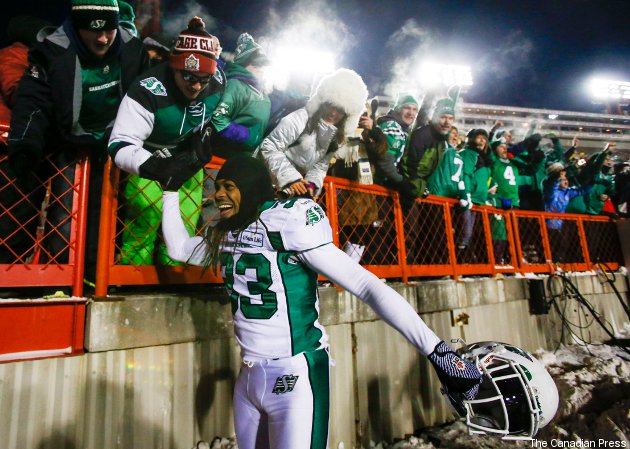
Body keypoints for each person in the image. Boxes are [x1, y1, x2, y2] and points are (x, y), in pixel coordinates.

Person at [161, 155, 482, 449]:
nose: (218, 195)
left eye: (228, 187)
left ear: (250, 187)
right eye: (218, 187)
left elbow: (365, 285)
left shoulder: (287, 221)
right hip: (248, 375)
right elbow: (178, 249)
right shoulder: (228, 234)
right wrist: (170, 191)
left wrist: (436, 350)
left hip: (296, 371)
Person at [7, 0, 147, 274]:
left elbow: (147, 98)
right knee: (63, 217)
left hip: (110, 149)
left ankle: (93, 278)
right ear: (76, 26)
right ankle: (58, 277)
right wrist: (24, 144)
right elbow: (33, 101)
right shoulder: (53, 52)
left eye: (109, 29)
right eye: (93, 30)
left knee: (105, 217)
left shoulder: (133, 49)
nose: (104, 38)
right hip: (67, 146)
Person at [108, 17, 224, 265]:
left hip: (186, 159)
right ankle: (132, 279)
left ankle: (173, 279)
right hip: (149, 158)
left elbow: (216, 114)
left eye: (203, 79)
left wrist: (206, 133)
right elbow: (120, 144)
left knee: (184, 222)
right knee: (145, 221)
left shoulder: (217, 83)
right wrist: (157, 168)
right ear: (173, 66)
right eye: (189, 77)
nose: (196, 86)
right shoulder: (147, 89)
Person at [260, 68, 368, 198]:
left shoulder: (335, 137)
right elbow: (270, 146)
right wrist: (291, 178)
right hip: (263, 180)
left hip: (287, 191)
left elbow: (320, 166)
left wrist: (311, 185)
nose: (333, 113)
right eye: (331, 105)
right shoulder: (300, 118)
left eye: (340, 110)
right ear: (322, 103)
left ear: (347, 115)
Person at [0, 15, 51, 263]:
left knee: (23, 211)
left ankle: (13, 269)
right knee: (13, 211)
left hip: (24, 143)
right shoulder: (15, 55)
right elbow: (16, 91)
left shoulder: (31, 58)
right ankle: (7, 272)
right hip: (9, 146)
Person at [210, 32, 271, 159]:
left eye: (262, 65)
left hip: (244, 159)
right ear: (243, 64)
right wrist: (245, 136)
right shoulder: (235, 85)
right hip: (221, 159)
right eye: (256, 64)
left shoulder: (262, 92)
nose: (261, 68)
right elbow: (218, 117)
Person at [374, 93, 419, 208]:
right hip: (380, 186)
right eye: (407, 108)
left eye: (414, 109)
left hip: (384, 185)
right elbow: (385, 162)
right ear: (398, 109)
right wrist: (402, 182)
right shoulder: (393, 127)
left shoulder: (403, 129)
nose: (411, 113)